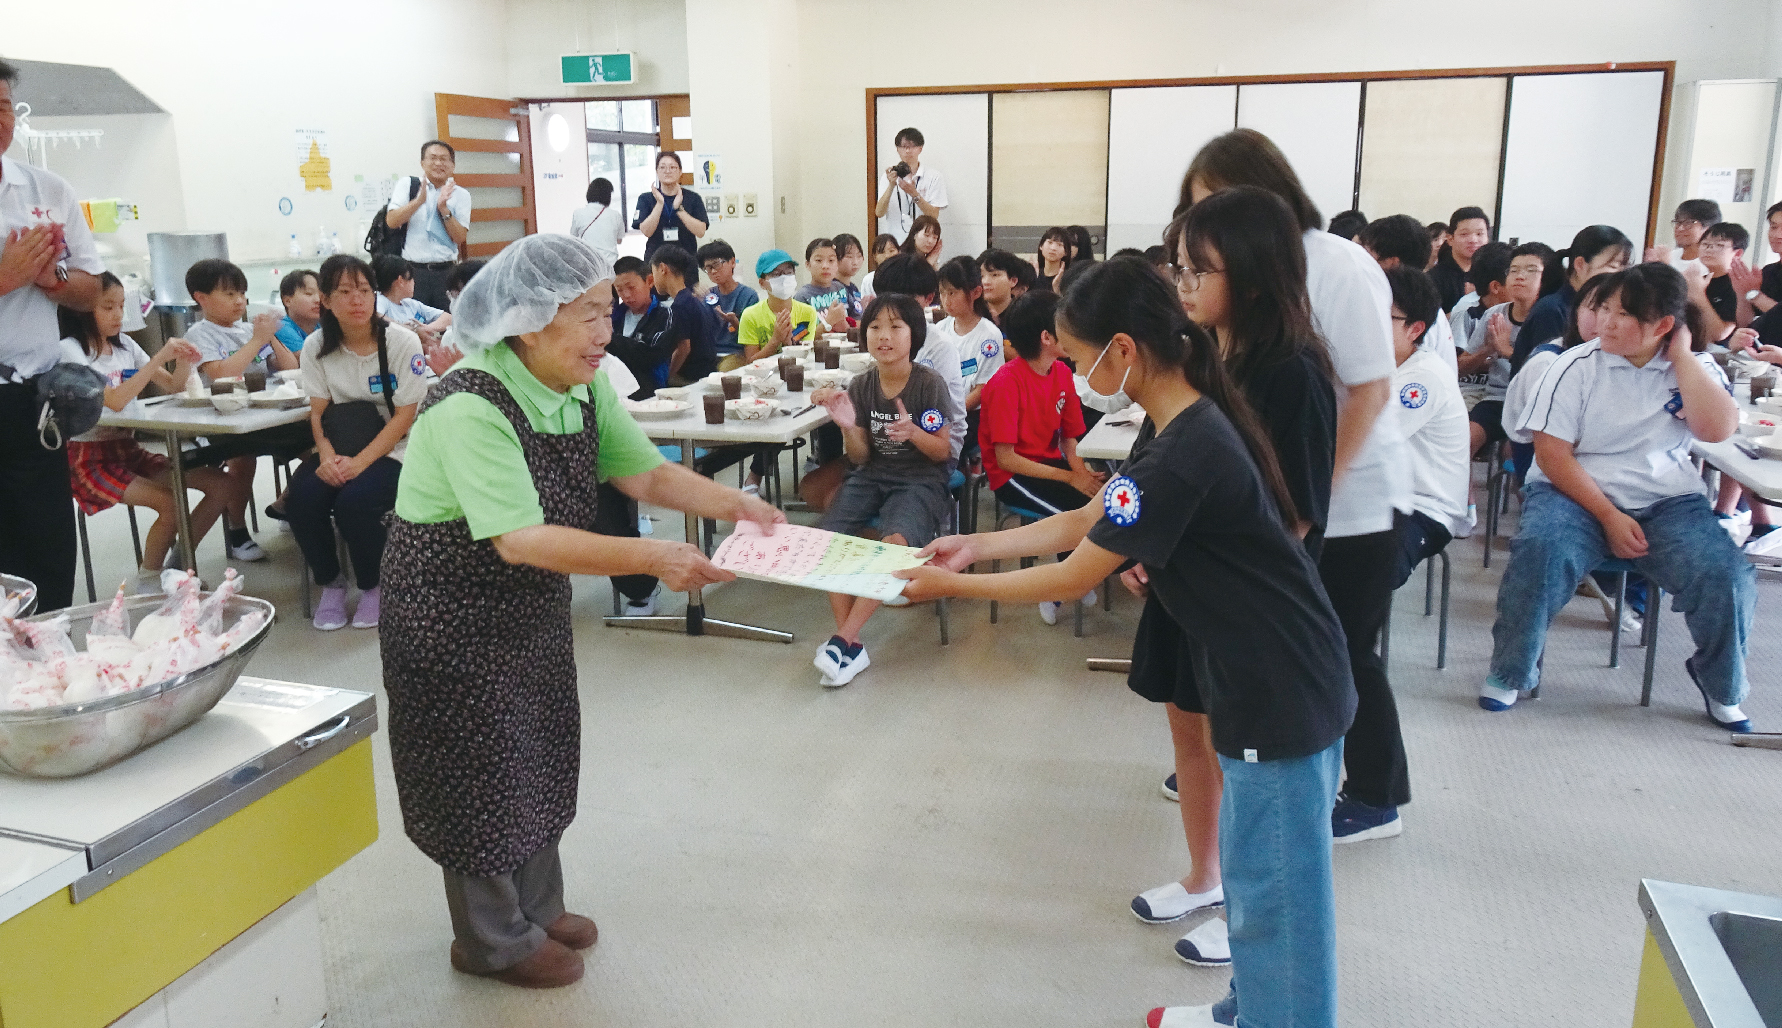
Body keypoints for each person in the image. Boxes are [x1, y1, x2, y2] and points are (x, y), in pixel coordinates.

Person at [898, 257, 1354, 1028]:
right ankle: (1245, 1011)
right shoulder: (1179, 420)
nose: (1078, 377)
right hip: (1265, 673)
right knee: (1257, 886)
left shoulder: (1188, 444)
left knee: (1279, 906)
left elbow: (1075, 573)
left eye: (1080, 359)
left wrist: (954, 587)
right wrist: (975, 547)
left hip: (1279, 689)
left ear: (1123, 349)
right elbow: (1091, 519)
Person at [382, 233, 782, 989]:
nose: (607, 331)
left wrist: (737, 505)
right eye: (589, 315)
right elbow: (521, 538)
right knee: (478, 771)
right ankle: (491, 942)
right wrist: (654, 557)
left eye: (608, 311)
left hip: (528, 605)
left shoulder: (582, 383)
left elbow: (646, 475)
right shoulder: (469, 402)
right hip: (449, 613)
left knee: (537, 749)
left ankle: (537, 908)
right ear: (531, 322)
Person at [1181, 128, 1412, 845]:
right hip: (1283, 494)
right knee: (1273, 648)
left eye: (1220, 202)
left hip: (1354, 496)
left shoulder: (1336, 266)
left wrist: (1309, 497)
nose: (1209, 221)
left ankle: (1372, 793)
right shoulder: (1238, 283)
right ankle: (1239, 760)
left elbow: (1370, 390)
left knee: (1340, 651)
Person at [1143, 187, 1338, 968]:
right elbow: (1150, 476)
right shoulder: (1198, 356)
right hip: (1184, 586)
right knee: (1188, 729)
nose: (1183, 284)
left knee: (1247, 761)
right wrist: (1141, 550)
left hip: (1245, 607)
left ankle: (1249, 912)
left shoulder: (1294, 371)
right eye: (1178, 268)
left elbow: (1295, 512)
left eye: (1199, 270)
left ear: (1254, 275)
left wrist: (1184, 560)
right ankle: (1206, 876)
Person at [1486, 263, 1754, 732]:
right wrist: (1609, 516)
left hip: (1668, 501)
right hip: (1573, 493)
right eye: (1605, 308)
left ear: (1664, 325)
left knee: (1727, 576)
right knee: (1540, 552)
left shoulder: (1696, 369)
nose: (1605, 322)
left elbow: (1717, 431)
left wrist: (1683, 357)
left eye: (1624, 314)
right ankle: (1511, 670)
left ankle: (1721, 684)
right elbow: (1551, 456)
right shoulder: (1573, 365)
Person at [808, 293, 961, 687]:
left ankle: (843, 640)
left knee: (894, 544)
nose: (883, 336)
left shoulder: (928, 384)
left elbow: (942, 451)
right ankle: (851, 644)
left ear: (914, 335)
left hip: (921, 478)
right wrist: (848, 427)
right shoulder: (862, 384)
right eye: (875, 327)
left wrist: (914, 433)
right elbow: (860, 458)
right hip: (872, 475)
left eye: (895, 327)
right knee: (828, 541)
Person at [0, 58, 105, 612]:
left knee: (45, 552)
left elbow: (90, 292)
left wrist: (51, 279)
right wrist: (5, 277)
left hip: (33, 401)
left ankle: (49, 655)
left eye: (3, 107)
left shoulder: (46, 188)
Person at [57, 274, 234, 590]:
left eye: (121, 306)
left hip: (128, 450)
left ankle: (176, 568)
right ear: (81, 309)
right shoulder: (70, 350)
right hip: (87, 459)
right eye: (108, 307)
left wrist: (185, 361)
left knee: (222, 484)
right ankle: (149, 582)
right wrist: (158, 358)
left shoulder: (125, 344)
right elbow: (114, 401)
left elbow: (174, 385)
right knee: (169, 502)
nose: (118, 315)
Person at [289, 255, 426, 630]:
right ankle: (331, 583)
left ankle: (373, 586)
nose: (357, 300)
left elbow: (405, 416)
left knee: (356, 502)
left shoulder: (401, 342)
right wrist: (327, 457)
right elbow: (318, 412)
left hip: (398, 448)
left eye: (365, 290)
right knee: (303, 498)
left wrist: (360, 464)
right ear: (326, 300)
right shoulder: (316, 346)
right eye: (345, 292)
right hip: (340, 444)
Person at [977, 289, 1102, 623]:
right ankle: (1057, 589)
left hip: (1045, 465)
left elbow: (1069, 438)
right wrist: (1069, 477)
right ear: (1047, 337)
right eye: (1066, 325)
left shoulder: (1062, 372)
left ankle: (1076, 577)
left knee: (1096, 506)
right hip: (1012, 476)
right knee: (1072, 520)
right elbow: (1006, 460)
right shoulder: (1006, 382)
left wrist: (1080, 474)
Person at [184, 257, 303, 562]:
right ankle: (237, 531)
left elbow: (289, 367)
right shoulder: (199, 334)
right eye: (229, 294)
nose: (239, 301)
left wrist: (270, 336)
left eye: (242, 293)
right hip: (223, 421)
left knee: (314, 443)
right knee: (242, 459)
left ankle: (294, 505)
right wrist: (256, 340)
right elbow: (221, 375)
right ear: (201, 298)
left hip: (265, 415)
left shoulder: (249, 329)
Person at [1385, 266, 1469, 586]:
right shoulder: (1374, 363)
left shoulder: (1423, 378)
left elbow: (1360, 440)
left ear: (1414, 329)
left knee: (1368, 566)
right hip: (1373, 494)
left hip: (1422, 506)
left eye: (1381, 315)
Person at [1461, 244, 1547, 459]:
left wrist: (1507, 351)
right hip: (1498, 398)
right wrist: (1488, 349)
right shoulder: (1494, 314)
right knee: (1464, 441)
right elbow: (1461, 367)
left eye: (1531, 270)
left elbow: (1546, 371)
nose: (1520, 276)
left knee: (1515, 451)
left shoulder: (1548, 315)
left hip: (1535, 403)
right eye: (1514, 270)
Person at [1511, 225, 1632, 372]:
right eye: (1613, 266)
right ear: (1580, 265)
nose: (1621, 276)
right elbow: (1551, 371)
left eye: (1625, 268)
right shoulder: (1552, 311)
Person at [1359, 215, 1457, 370]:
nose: (1358, 262)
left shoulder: (1408, 314)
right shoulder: (1419, 305)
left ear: (1392, 263)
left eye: (1365, 255)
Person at [933, 255, 1005, 462]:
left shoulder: (989, 335)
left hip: (972, 416)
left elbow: (984, 389)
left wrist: (951, 415)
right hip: (942, 411)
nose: (946, 300)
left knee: (934, 449)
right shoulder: (940, 329)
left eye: (952, 293)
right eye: (942, 293)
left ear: (976, 293)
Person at [383, 141, 471, 309]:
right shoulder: (408, 185)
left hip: (446, 272)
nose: (438, 163)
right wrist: (418, 201)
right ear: (422, 163)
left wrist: (443, 209)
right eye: (433, 158)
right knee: (414, 321)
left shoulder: (461, 195)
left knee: (448, 320)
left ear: (452, 166)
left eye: (444, 159)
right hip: (412, 272)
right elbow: (391, 221)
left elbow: (460, 237)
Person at [735, 249, 822, 366]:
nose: (784, 278)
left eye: (789, 272)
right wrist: (775, 340)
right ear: (762, 283)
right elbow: (751, 362)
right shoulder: (750, 315)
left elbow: (805, 356)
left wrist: (788, 344)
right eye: (776, 274)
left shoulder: (808, 312)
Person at [650, 245, 718, 382]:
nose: (653, 280)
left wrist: (668, 377)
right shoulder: (692, 299)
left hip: (692, 378)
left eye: (653, 272)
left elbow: (684, 348)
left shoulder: (680, 305)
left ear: (662, 269)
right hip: (707, 372)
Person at [632, 152, 708, 263]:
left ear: (680, 171)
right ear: (657, 171)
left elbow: (701, 231)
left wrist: (679, 209)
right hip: (655, 262)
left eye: (672, 167)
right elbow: (646, 231)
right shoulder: (646, 198)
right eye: (662, 167)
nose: (667, 171)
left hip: (686, 262)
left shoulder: (693, 198)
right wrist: (659, 204)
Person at [875, 127, 947, 242]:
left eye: (912, 146)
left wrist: (914, 194)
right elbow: (879, 213)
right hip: (895, 243)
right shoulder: (888, 177)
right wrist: (891, 186)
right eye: (904, 146)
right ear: (897, 149)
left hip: (923, 243)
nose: (908, 151)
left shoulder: (933, 177)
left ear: (920, 149)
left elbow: (933, 215)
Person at [1448, 241, 1512, 362]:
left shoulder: (1519, 312)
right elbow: (1455, 363)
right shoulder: (1467, 313)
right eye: (1513, 278)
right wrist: (1489, 350)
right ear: (1495, 287)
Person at [697, 239, 758, 365]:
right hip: (709, 354)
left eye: (717, 264)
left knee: (725, 370)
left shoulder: (748, 295)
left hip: (735, 353)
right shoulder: (708, 295)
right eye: (708, 268)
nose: (713, 271)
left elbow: (753, 337)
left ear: (732, 262)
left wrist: (735, 322)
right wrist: (694, 302)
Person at [374, 254, 452, 347]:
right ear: (401, 281)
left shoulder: (411, 304)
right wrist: (411, 329)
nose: (414, 283)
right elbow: (375, 317)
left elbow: (448, 318)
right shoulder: (380, 300)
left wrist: (426, 328)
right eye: (411, 279)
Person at [1694, 221, 1750, 344]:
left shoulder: (1738, 285)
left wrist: (1698, 294)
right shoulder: (1697, 280)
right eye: (1705, 244)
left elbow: (1720, 334)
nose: (1709, 249)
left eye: (1719, 245)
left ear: (1737, 253)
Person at [1428, 206, 1492, 311]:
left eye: (1479, 234)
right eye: (1464, 234)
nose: (1473, 240)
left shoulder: (1492, 276)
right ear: (1450, 239)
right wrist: (1470, 303)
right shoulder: (1433, 279)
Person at [1645, 198, 1720, 275]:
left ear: (1707, 228)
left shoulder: (1711, 265)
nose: (1680, 228)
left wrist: (1664, 267)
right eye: (1678, 222)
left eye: (1688, 223)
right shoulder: (1668, 256)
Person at [793, 237, 851, 331]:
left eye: (831, 260)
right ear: (808, 264)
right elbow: (799, 336)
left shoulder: (840, 288)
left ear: (837, 264)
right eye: (819, 260)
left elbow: (851, 321)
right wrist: (829, 321)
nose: (825, 266)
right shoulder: (802, 296)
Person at [569, 177, 624, 267]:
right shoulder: (616, 215)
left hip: (588, 263)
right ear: (608, 196)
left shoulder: (578, 213)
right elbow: (619, 240)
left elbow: (573, 237)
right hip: (610, 264)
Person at [979, 248, 1029, 324]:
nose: (985, 282)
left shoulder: (1024, 316)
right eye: (981, 276)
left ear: (1013, 281)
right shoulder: (973, 316)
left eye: (995, 275)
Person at [277, 269, 321, 352]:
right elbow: (306, 356)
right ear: (287, 301)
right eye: (309, 293)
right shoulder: (281, 327)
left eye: (321, 294)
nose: (318, 300)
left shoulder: (323, 325)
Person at [831, 233, 867, 320]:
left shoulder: (853, 287)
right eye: (849, 257)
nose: (855, 262)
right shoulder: (833, 288)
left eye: (859, 256)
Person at [859, 233, 900, 301]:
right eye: (881, 252)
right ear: (875, 257)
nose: (887, 256)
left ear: (899, 252)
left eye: (891, 251)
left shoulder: (906, 276)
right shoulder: (869, 280)